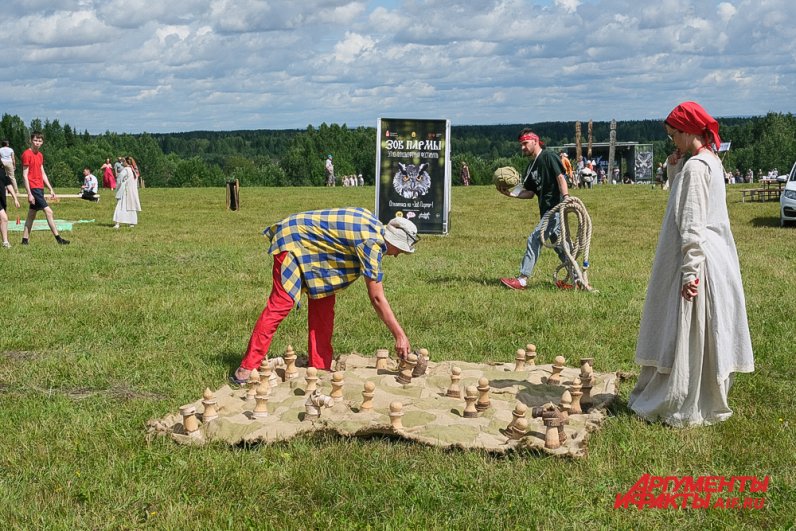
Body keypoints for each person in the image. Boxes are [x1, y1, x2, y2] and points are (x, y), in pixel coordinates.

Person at [628, 101, 754, 427]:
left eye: (674, 135)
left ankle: (685, 397)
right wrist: (674, 167)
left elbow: (692, 223)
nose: (673, 141)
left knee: (691, 332)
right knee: (706, 332)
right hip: (717, 257)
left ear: (687, 131)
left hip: (700, 260)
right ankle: (704, 392)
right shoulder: (709, 160)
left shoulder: (697, 168)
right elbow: (685, 197)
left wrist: (690, 270)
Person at [231, 207, 419, 383]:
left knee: (324, 305)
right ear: (393, 241)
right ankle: (247, 368)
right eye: (400, 250)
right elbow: (377, 298)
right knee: (281, 303)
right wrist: (400, 336)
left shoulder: (374, 228)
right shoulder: (370, 243)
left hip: (320, 254)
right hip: (293, 239)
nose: (396, 255)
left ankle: (319, 366)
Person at [499, 129, 571, 290]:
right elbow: (530, 193)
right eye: (521, 144)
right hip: (546, 211)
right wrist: (509, 194)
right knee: (561, 248)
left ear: (535, 141)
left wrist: (566, 197)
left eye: (525, 143)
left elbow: (561, 177)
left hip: (555, 209)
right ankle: (578, 280)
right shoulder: (531, 166)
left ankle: (522, 279)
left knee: (534, 238)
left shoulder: (548, 156)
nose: (522, 147)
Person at [20, 131, 69, 246]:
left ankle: (24, 240)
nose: (37, 143)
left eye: (40, 141)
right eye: (35, 140)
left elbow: (43, 173)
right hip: (33, 188)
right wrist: (29, 193)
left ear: (42, 142)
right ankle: (58, 239)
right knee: (49, 211)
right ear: (31, 140)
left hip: (40, 187)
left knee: (31, 214)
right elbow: (24, 175)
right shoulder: (27, 154)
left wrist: (50, 188)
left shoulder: (40, 155)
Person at [113, 156, 142, 228]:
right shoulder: (134, 171)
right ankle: (131, 222)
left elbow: (119, 179)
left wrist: (118, 188)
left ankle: (117, 223)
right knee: (131, 207)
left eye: (124, 161)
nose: (123, 163)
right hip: (133, 191)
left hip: (125, 191)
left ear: (127, 162)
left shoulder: (126, 170)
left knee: (121, 206)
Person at [1, 163, 20, 248]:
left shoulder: (2, 171)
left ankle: (5, 242)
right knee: (4, 218)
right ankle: (5, 242)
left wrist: (15, 198)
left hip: (2, 200)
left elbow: (8, 184)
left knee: (2, 220)